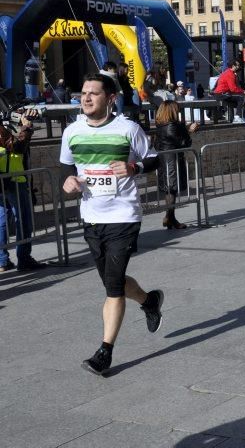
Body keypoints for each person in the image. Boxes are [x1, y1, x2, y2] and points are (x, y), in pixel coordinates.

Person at [60, 73, 164, 375]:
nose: (86, 98)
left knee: (113, 287)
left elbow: (154, 158)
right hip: (92, 216)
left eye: (94, 93)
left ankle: (104, 352)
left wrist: (134, 166)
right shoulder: (72, 131)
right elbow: (67, 164)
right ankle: (149, 300)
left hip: (123, 216)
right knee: (111, 282)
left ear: (111, 99)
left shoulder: (128, 129)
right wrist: (68, 179)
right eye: (83, 93)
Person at [0, 108, 46, 273]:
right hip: (13, 178)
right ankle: (24, 258)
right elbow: (16, 146)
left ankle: (2, 261)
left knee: (2, 219)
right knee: (23, 219)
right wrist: (26, 127)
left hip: (3, 180)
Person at [154, 101, 198, 230]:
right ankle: (169, 217)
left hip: (165, 159)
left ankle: (171, 218)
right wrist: (189, 131)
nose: (179, 111)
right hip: (171, 160)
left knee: (170, 189)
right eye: (177, 109)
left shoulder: (161, 124)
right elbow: (183, 143)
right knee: (171, 189)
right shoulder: (172, 126)